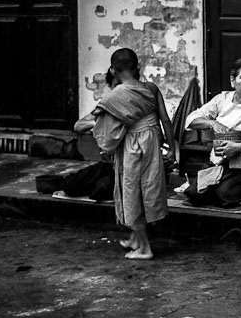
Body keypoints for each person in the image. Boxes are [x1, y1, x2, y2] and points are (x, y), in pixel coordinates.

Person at [74, 48, 176, 260]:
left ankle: (145, 248)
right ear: (137, 67)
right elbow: (165, 120)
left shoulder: (115, 96)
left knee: (133, 193)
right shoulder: (151, 87)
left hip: (133, 147)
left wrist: (97, 125)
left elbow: (87, 126)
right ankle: (136, 238)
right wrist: (172, 148)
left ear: (113, 70)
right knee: (146, 189)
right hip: (152, 144)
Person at [180, 57, 241, 208]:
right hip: (220, 161)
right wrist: (212, 123)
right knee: (193, 194)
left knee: (225, 195)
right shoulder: (222, 99)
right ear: (233, 80)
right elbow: (191, 120)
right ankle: (232, 192)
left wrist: (240, 147)